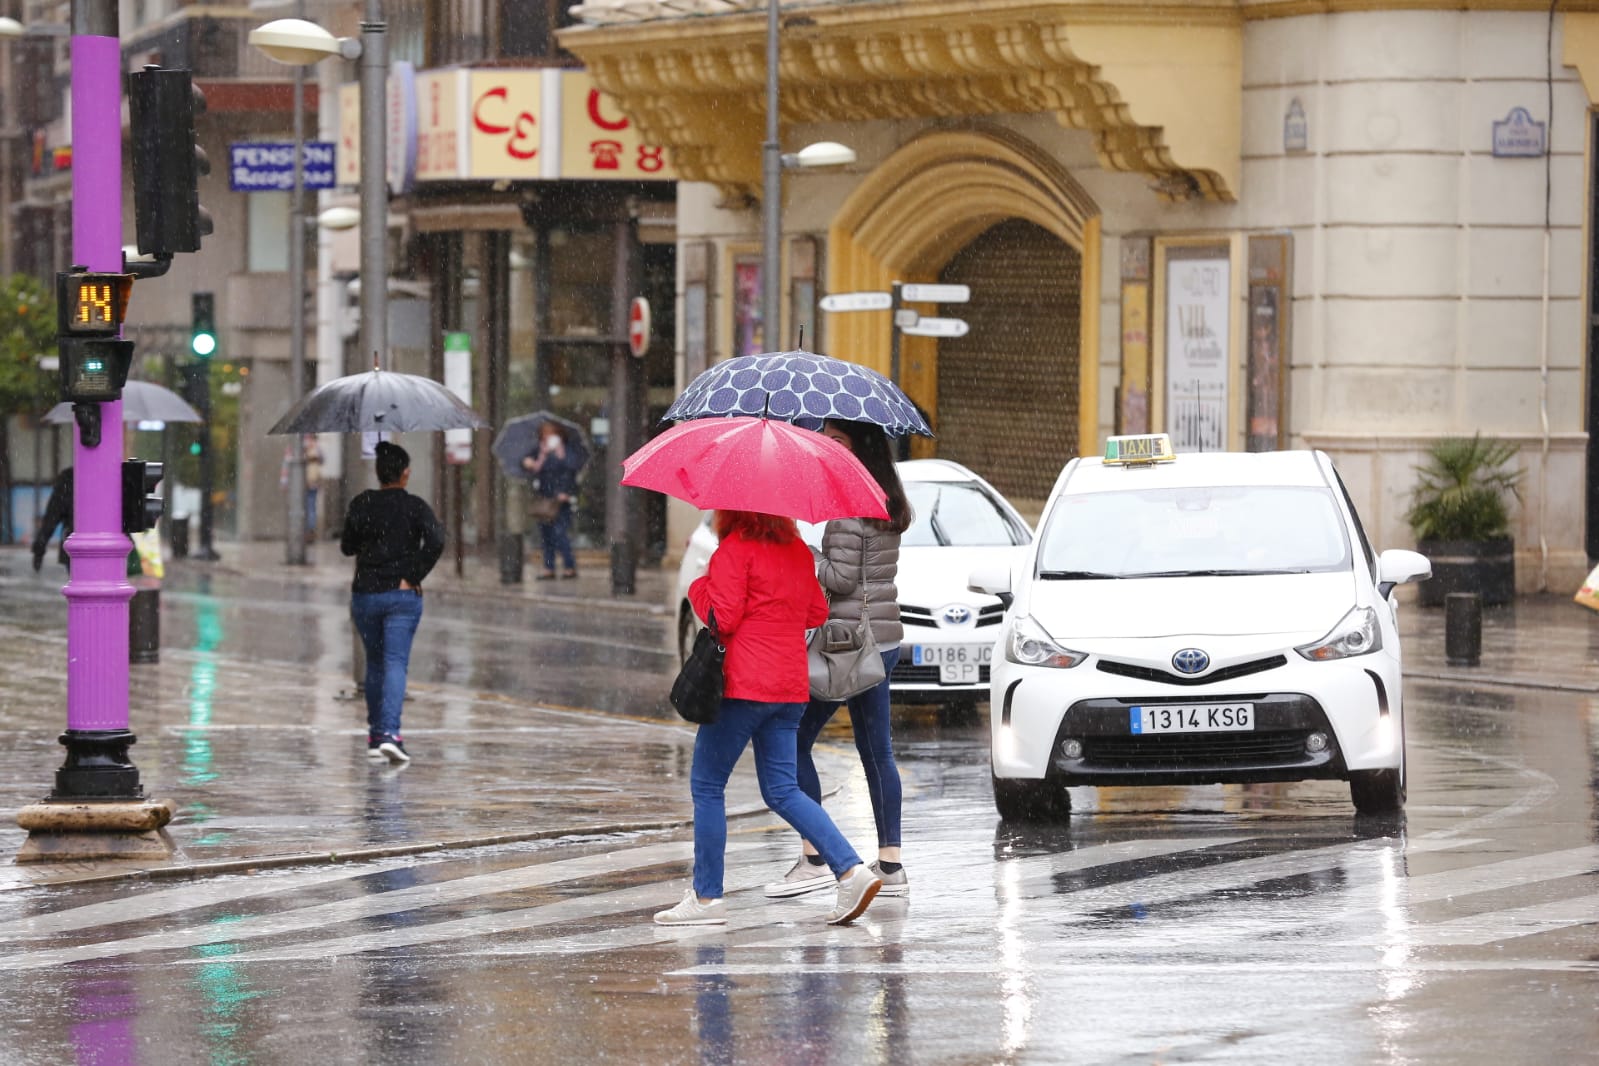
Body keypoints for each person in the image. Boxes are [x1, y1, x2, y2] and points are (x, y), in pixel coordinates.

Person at [656, 508, 883, 928]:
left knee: (707, 786)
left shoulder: (734, 551)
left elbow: (722, 619)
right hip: (789, 687)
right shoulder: (796, 550)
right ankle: (851, 870)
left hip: (743, 686)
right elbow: (815, 612)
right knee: (782, 789)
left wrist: (699, 587)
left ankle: (707, 898)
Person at [767, 419, 915, 900]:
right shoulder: (885, 498)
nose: (827, 448)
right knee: (877, 753)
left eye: (836, 441)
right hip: (882, 641)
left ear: (859, 448)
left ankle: (813, 855)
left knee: (794, 740)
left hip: (850, 644)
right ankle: (890, 864)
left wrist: (806, 553)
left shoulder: (851, 507)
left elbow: (842, 580)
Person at [341, 442, 444, 764]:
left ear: (377, 472)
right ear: (405, 473)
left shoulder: (362, 503)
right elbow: (437, 540)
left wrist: (368, 534)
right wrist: (412, 575)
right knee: (396, 663)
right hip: (401, 595)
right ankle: (390, 734)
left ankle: (375, 737)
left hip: (366, 594)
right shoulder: (415, 506)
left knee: (375, 663)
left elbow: (347, 547)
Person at [521, 424, 578, 580]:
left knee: (560, 533)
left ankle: (569, 566)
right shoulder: (539, 450)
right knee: (546, 535)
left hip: (560, 500)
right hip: (544, 498)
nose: (547, 437)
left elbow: (571, 468)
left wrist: (565, 491)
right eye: (544, 434)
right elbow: (529, 467)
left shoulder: (566, 450)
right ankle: (549, 567)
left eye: (551, 434)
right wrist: (537, 459)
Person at [31, 466, 73, 572]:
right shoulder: (110, 474)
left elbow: (52, 516)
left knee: (80, 585)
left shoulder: (69, 477)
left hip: (74, 546)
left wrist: (39, 549)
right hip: (107, 546)